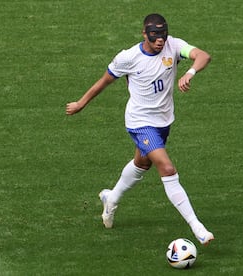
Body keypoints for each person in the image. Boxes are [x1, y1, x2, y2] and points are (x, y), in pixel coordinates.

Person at [66, 13, 214, 245]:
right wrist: (81, 103)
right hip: (139, 123)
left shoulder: (174, 46)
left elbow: (203, 56)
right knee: (166, 167)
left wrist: (190, 72)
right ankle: (197, 227)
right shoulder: (128, 57)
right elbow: (104, 81)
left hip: (163, 122)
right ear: (144, 34)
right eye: (154, 35)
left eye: (162, 35)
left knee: (142, 163)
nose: (160, 40)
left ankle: (111, 198)